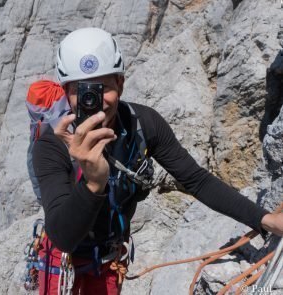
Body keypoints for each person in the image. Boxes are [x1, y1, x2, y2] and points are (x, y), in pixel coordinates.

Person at [31, 27, 283, 295]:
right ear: (66, 92)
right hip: (65, 265)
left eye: (103, 87)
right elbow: (62, 237)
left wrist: (265, 219)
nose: (95, 101)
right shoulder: (52, 145)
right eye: (82, 92)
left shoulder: (143, 124)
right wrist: (93, 182)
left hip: (109, 260)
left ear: (121, 83)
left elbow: (195, 179)